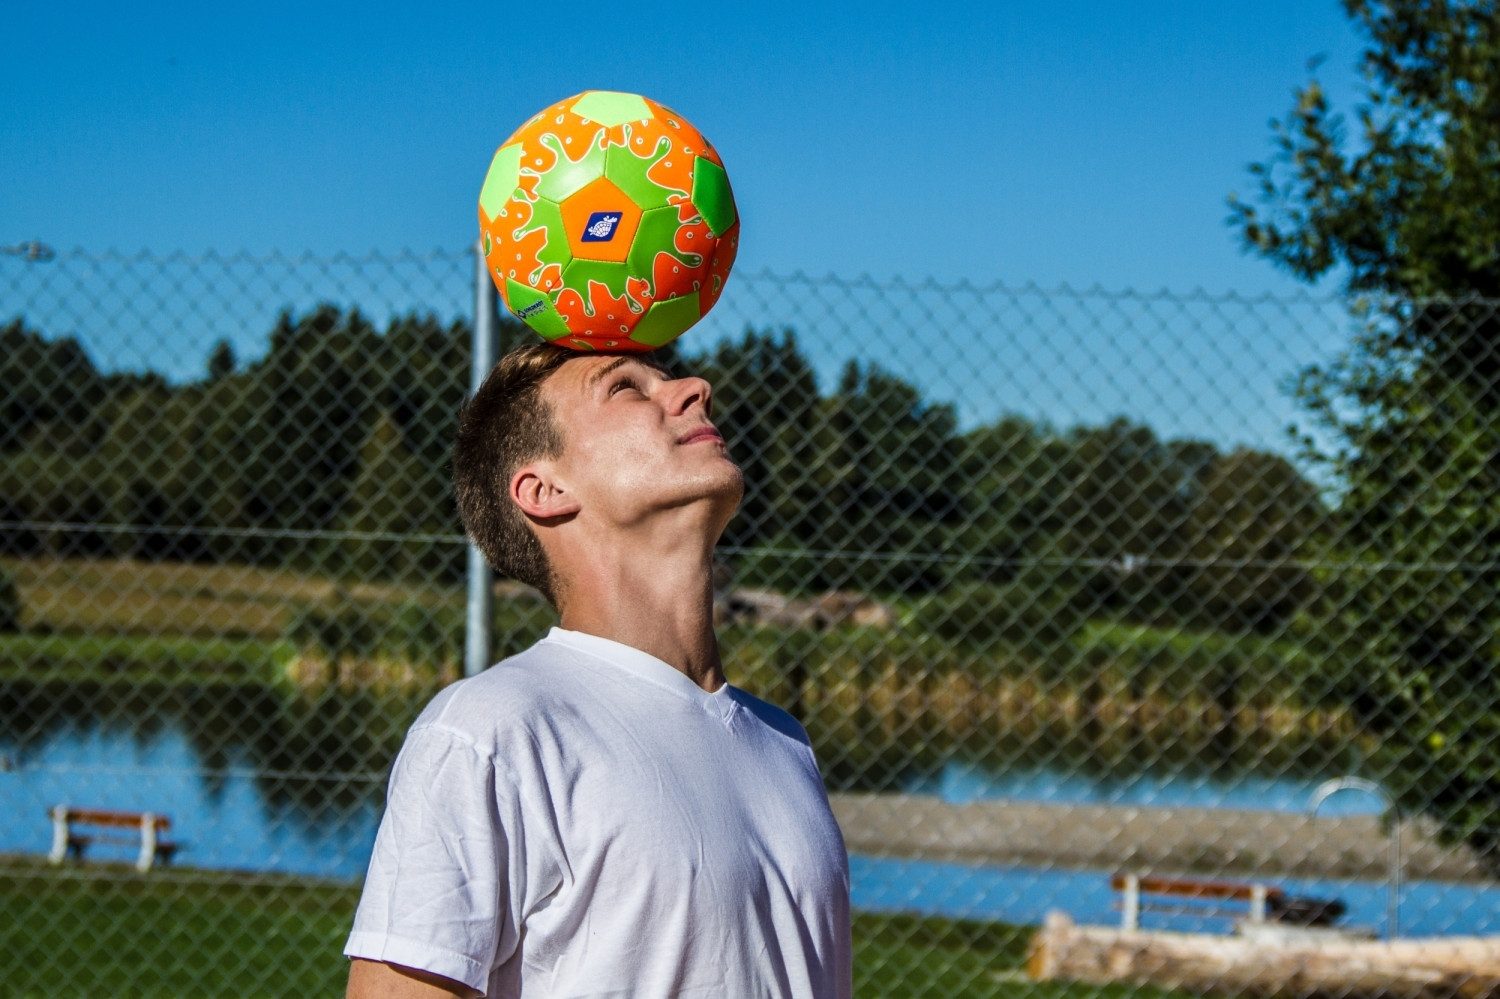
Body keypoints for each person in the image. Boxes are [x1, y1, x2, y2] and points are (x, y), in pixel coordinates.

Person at [345, 343, 852, 998]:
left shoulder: (784, 741)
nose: (696, 388)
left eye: (670, 377)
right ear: (546, 488)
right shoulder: (488, 733)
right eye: (626, 389)